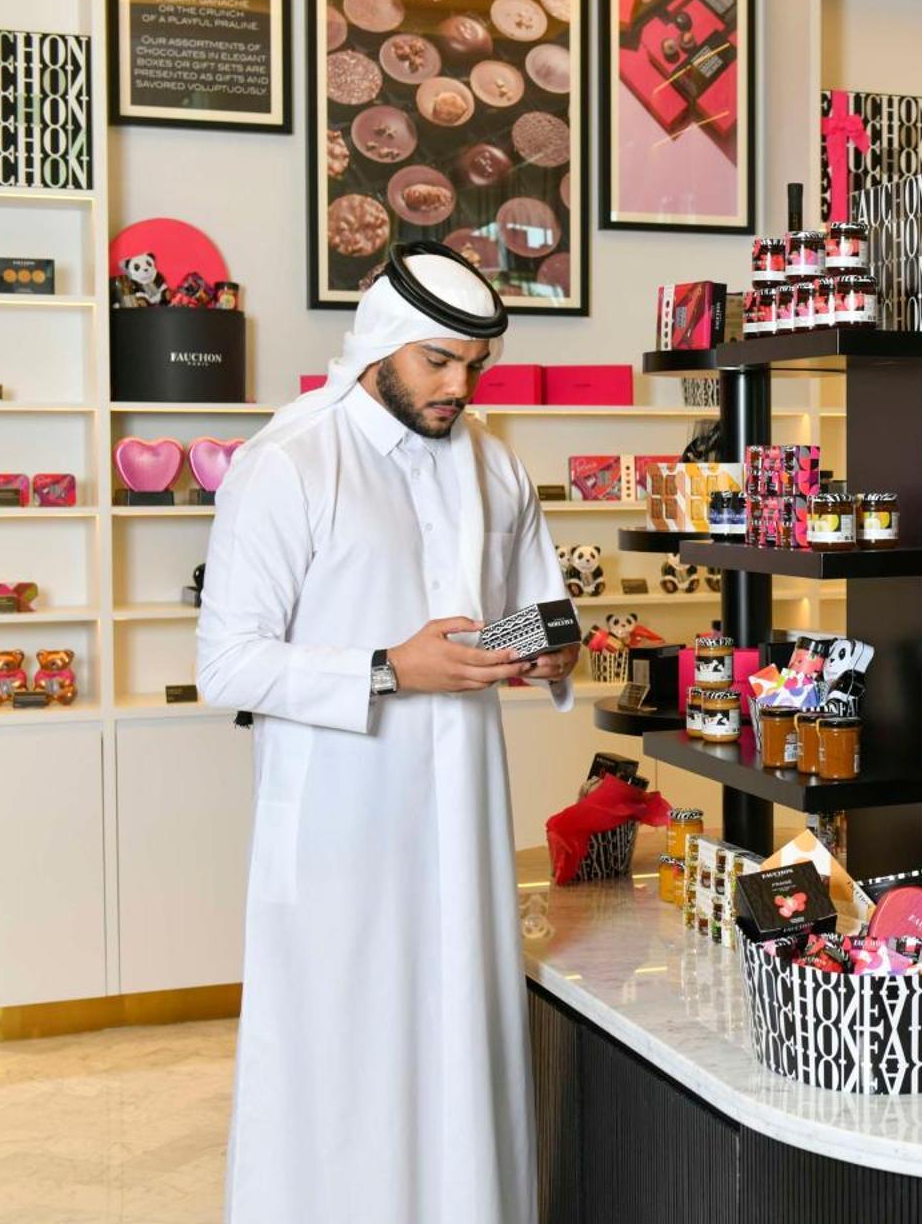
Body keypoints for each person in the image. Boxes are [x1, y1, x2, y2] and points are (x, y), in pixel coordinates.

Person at [197, 243, 575, 1223]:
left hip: (467, 820)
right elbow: (228, 662)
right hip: (338, 824)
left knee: (464, 1040)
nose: (459, 385)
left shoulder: (493, 458)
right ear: (381, 346)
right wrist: (388, 668)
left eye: (472, 365)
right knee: (342, 1055)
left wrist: (544, 650)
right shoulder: (287, 462)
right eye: (437, 363)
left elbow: (544, 608)